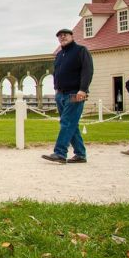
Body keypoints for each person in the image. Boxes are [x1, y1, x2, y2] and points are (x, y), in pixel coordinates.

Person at [42, 28, 93, 164]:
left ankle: (60, 152)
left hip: (75, 93)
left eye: (65, 35)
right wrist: (56, 90)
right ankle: (80, 154)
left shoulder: (81, 51)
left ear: (71, 36)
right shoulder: (59, 55)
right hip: (61, 94)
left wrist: (83, 90)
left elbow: (87, 70)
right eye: (60, 36)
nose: (62, 37)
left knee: (67, 122)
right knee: (71, 124)